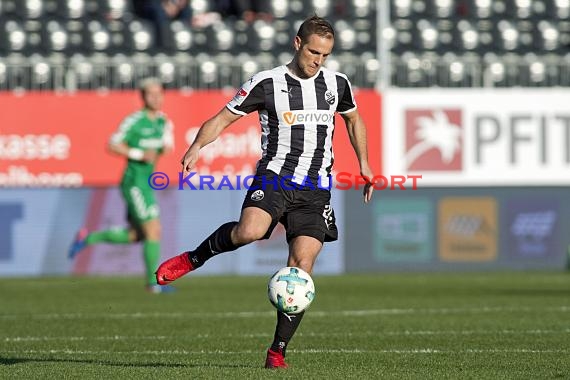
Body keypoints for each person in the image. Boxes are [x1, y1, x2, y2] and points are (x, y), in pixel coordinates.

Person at [156, 15, 375, 367]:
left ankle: (277, 351)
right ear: (297, 43)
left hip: (316, 187)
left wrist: (364, 163)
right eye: (314, 52)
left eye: (325, 55)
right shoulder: (267, 82)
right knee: (250, 231)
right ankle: (193, 258)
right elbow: (223, 118)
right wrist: (197, 146)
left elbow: (353, 119)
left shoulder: (337, 84)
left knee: (302, 268)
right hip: (275, 175)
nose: (318, 61)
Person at [69, 78, 175, 294]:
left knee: (137, 235)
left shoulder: (164, 122)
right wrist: (138, 153)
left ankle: (89, 238)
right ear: (142, 97)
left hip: (146, 183)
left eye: (158, 93)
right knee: (154, 230)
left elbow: (166, 147)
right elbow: (112, 144)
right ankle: (153, 284)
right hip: (133, 182)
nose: (155, 98)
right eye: (150, 94)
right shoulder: (135, 121)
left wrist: (164, 147)